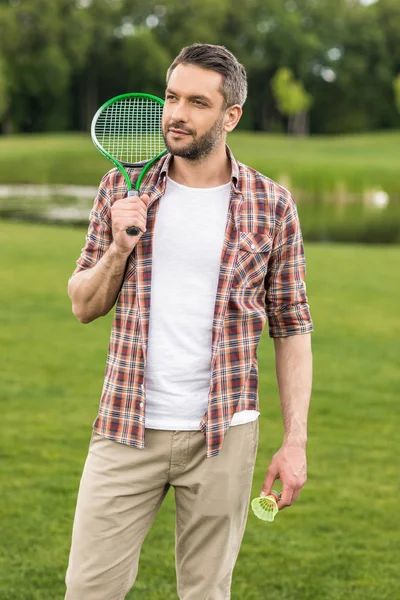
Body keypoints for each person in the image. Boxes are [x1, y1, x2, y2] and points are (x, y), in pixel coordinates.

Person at [65, 43, 313, 600]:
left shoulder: (272, 205)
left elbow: (292, 327)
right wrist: (118, 249)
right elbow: (83, 304)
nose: (176, 113)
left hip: (224, 434)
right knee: (87, 590)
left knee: (206, 593)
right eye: (172, 96)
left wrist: (294, 441)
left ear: (230, 116)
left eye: (197, 102)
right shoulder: (121, 190)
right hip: (126, 426)